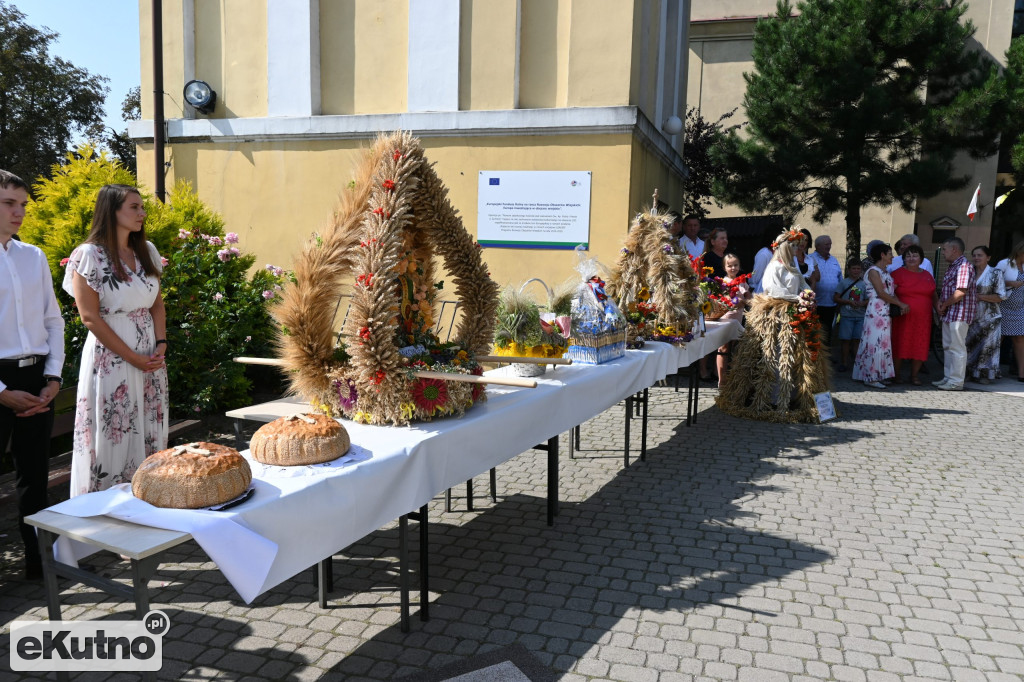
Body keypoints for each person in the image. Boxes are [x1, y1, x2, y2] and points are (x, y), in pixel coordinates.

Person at [63, 185, 169, 496]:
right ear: (112, 211)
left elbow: (157, 304)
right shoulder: (89, 255)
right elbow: (90, 317)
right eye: (134, 207)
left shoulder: (146, 250)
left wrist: (160, 344)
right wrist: (133, 357)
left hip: (150, 354)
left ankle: (148, 505)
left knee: (149, 430)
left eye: (141, 207)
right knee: (114, 434)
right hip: (111, 358)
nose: (142, 213)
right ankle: (104, 516)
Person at [0, 170, 65, 581]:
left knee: (35, 480)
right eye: (9, 203)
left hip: (37, 379)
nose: (19, 212)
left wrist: (53, 377)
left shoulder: (33, 256)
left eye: (23, 204)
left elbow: (53, 321)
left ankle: (39, 566)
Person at [717, 229, 830, 423]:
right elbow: (773, 290)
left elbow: (803, 283)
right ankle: (772, 397)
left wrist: (808, 294)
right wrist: (798, 298)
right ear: (785, 247)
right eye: (794, 246)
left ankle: (797, 396)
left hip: (796, 315)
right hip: (778, 316)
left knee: (797, 356)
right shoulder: (773, 267)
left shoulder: (792, 265)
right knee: (777, 355)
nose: (797, 249)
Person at [853, 242, 907, 389]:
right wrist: (900, 304)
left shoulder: (884, 272)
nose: (893, 256)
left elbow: (889, 292)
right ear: (882, 255)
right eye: (890, 254)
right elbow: (881, 293)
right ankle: (871, 377)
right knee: (874, 342)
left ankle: (877, 374)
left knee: (881, 342)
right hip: (876, 310)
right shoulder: (873, 271)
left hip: (884, 309)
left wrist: (897, 303)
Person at [933, 237, 977, 391]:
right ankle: (948, 378)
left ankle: (956, 381)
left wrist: (943, 304)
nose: (943, 252)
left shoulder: (964, 266)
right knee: (947, 347)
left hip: (960, 313)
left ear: (954, 250)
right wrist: (941, 303)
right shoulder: (953, 266)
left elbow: (961, 292)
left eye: (944, 249)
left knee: (957, 348)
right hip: (950, 312)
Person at [891, 244, 936, 386]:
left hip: (923, 318)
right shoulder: (897, 274)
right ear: (903, 258)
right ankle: (896, 375)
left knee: (920, 345)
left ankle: (914, 375)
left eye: (915, 255)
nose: (911, 258)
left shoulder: (927, 275)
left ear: (921, 259)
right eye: (908, 256)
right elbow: (889, 293)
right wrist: (899, 304)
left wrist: (939, 306)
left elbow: (933, 293)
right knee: (900, 345)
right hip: (903, 317)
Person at [965, 246, 1006, 384]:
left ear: (988, 257)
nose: (976, 258)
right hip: (971, 316)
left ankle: (984, 375)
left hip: (991, 317)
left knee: (988, 348)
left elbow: (1001, 296)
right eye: (974, 255)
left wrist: (980, 297)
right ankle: (970, 372)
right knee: (970, 345)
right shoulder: (969, 272)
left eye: (980, 255)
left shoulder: (996, 273)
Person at [716, 253, 752, 387]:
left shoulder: (742, 281)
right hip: (726, 318)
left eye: (735, 265)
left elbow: (749, 298)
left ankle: (733, 378)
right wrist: (736, 302)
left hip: (738, 318)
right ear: (725, 267)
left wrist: (747, 301)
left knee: (736, 348)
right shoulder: (723, 282)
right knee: (723, 348)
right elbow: (722, 301)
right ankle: (722, 379)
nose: (733, 268)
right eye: (729, 266)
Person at [833, 258, 867, 372]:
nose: (856, 271)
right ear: (849, 270)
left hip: (860, 315)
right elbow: (836, 298)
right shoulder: (844, 282)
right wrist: (848, 302)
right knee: (845, 340)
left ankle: (857, 364)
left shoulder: (864, 284)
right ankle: (844, 362)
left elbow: (868, 299)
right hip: (847, 315)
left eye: (858, 269)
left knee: (857, 340)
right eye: (854, 269)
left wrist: (862, 303)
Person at [809, 235, 842, 346]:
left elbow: (840, 278)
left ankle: (826, 356)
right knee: (816, 331)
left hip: (831, 303)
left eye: (830, 244)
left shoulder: (834, 260)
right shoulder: (810, 259)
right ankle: (816, 356)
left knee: (828, 331)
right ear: (817, 246)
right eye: (826, 244)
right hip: (816, 303)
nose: (829, 246)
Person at [998, 240, 1024, 381]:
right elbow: (994, 280)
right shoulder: (1005, 263)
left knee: (1020, 338)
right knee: (998, 339)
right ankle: (991, 369)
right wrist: (1011, 283)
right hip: (1004, 306)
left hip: (1020, 308)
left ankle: (1022, 373)